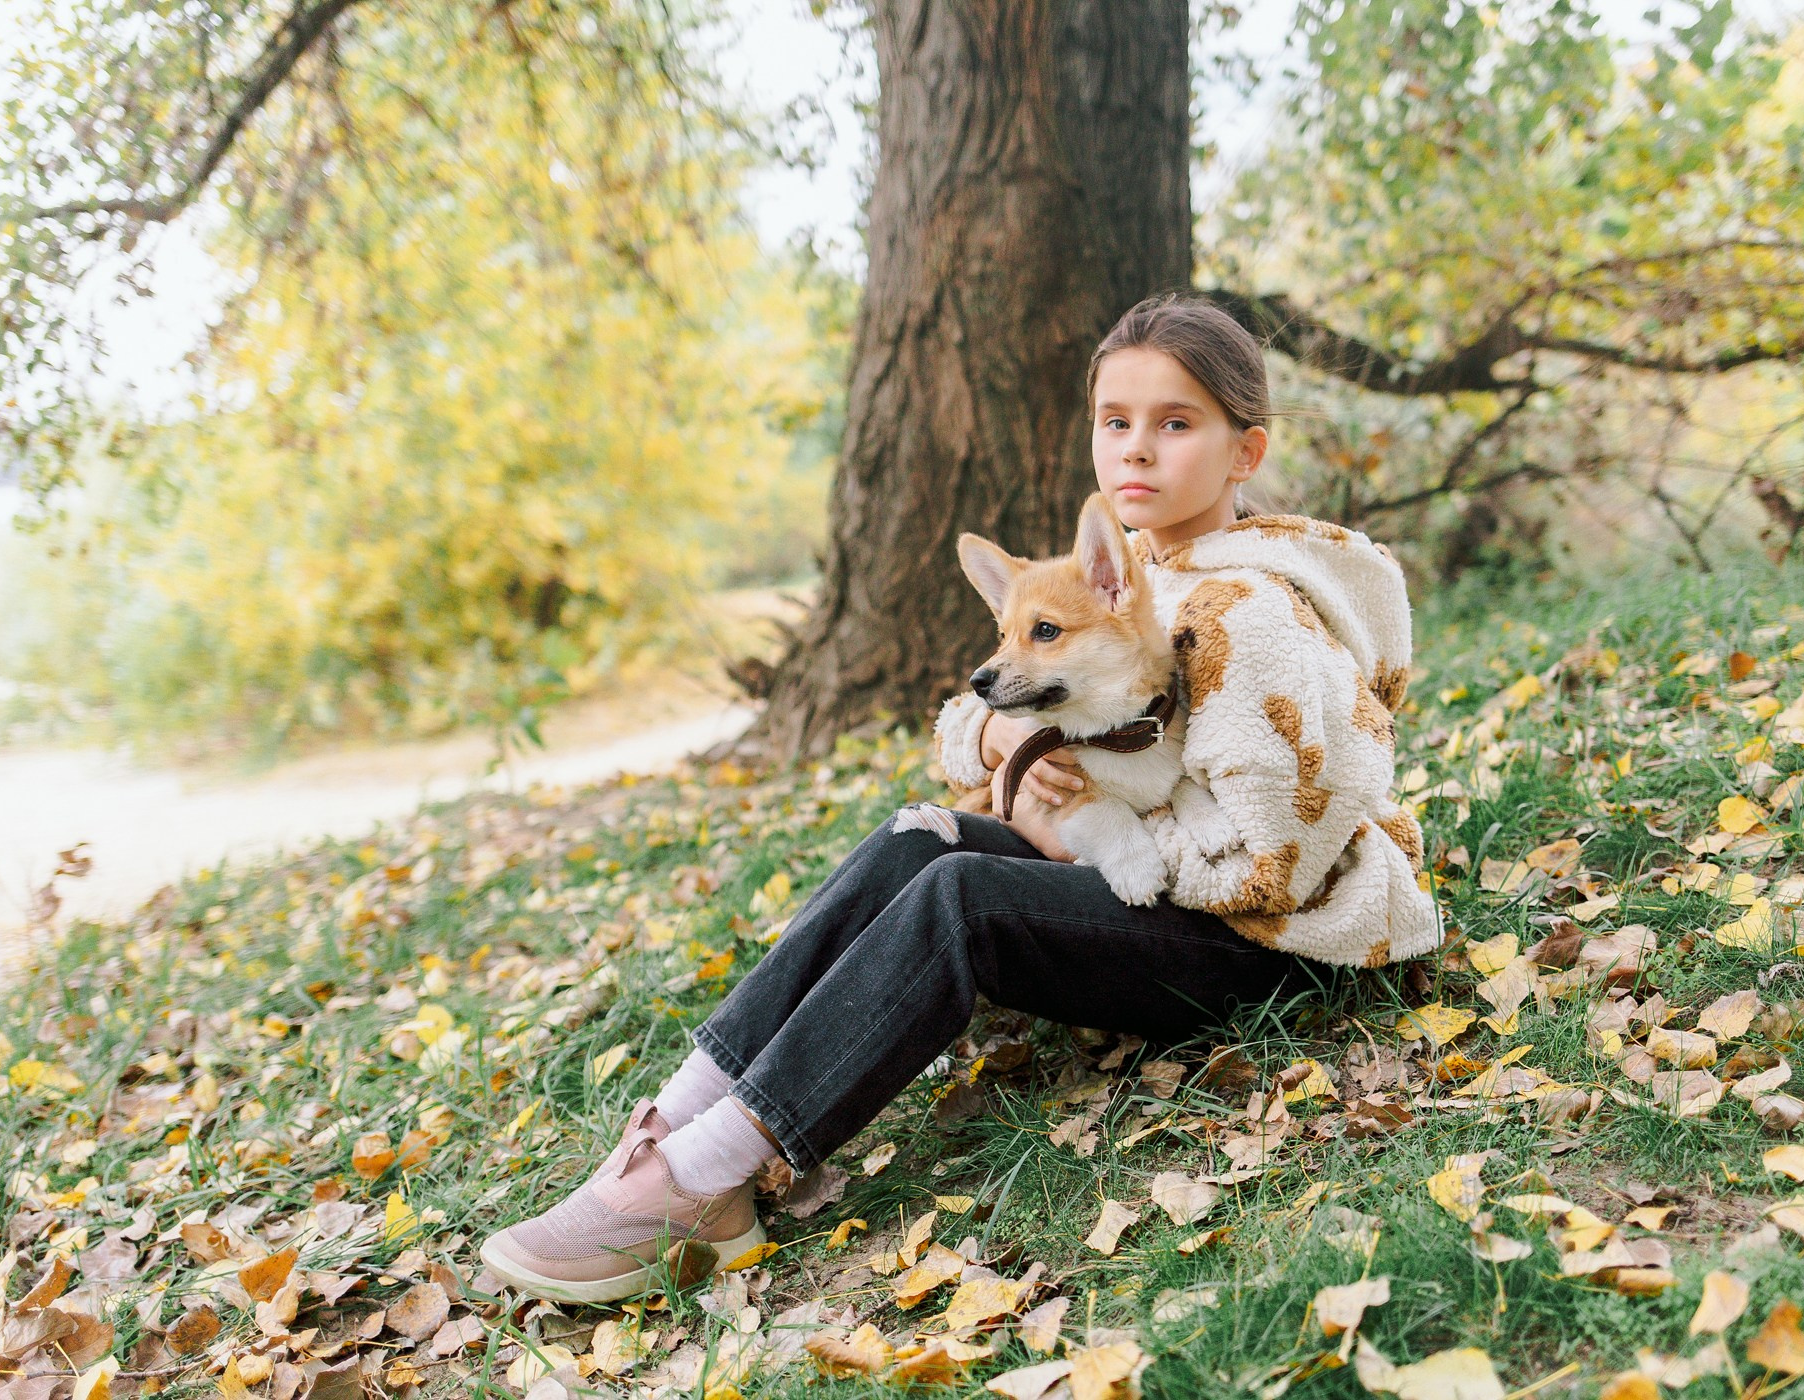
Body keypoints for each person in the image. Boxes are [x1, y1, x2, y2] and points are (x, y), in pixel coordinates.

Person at [478, 293, 1444, 1304]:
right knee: (919, 838)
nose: (1138, 450)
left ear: (1244, 453)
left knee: (961, 895)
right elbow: (1001, 718)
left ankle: (702, 1176)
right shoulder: (1127, 572)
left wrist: (1081, 837)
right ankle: (673, 1118)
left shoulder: (1250, 607)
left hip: (1257, 944)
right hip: (1158, 891)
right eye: (1116, 421)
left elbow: (1280, 846)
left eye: (1175, 423)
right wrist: (993, 741)